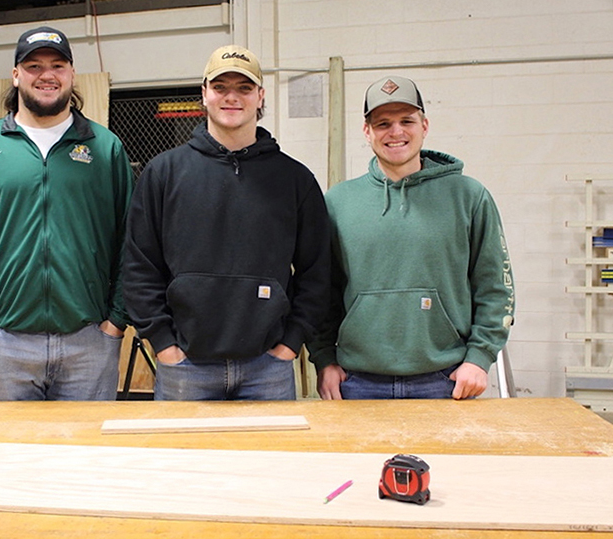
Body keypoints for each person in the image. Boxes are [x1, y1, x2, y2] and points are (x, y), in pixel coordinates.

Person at [123, 45, 330, 401]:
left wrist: (290, 344)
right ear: (204, 94)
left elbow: (317, 271)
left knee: (266, 460)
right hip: (184, 368)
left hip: (268, 369)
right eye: (220, 87)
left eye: (244, 88)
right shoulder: (164, 173)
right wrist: (164, 344)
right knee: (184, 459)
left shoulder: (295, 179)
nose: (231, 97)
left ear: (260, 96)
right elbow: (139, 265)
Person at [0, 26, 133, 401]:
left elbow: (131, 238)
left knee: (85, 457)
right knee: (5, 457)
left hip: (88, 344)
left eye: (58, 65)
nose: (47, 75)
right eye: (33, 65)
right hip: (2, 345)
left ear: (72, 74)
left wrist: (115, 321)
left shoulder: (105, 149)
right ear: (16, 75)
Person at [308, 75, 514, 401]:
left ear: (425, 125)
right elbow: (322, 291)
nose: (396, 132)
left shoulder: (469, 197)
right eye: (383, 123)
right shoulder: (338, 202)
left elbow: (495, 287)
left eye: (407, 121)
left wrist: (480, 357)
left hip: (446, 380)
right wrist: (324, 358)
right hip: (358, 383)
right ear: (367, 131)